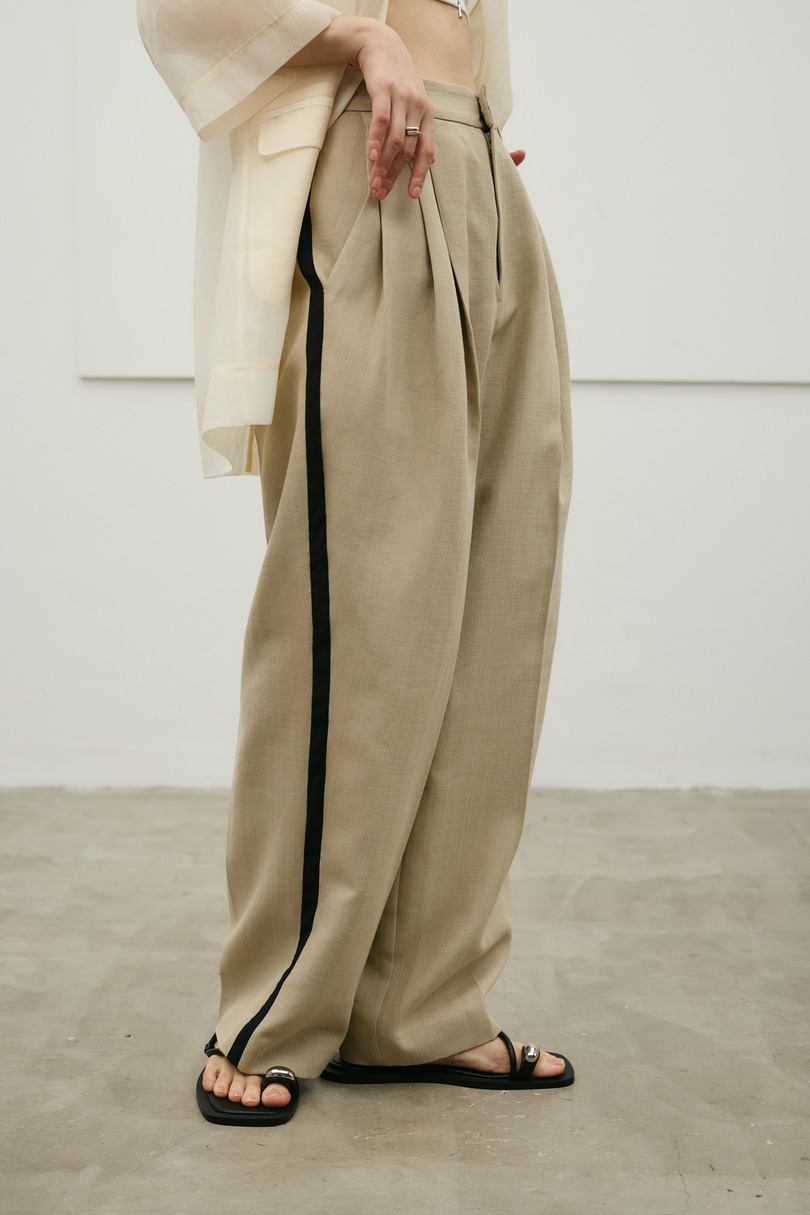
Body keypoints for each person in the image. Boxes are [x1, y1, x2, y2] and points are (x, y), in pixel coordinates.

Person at [137, 0, 574, 1126]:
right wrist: (362, 41)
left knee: (496, 607)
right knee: (361, 612)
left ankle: (418, 1004)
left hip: (479, 169)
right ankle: (273, 1007)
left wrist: (476, 130)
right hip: (368, 160)